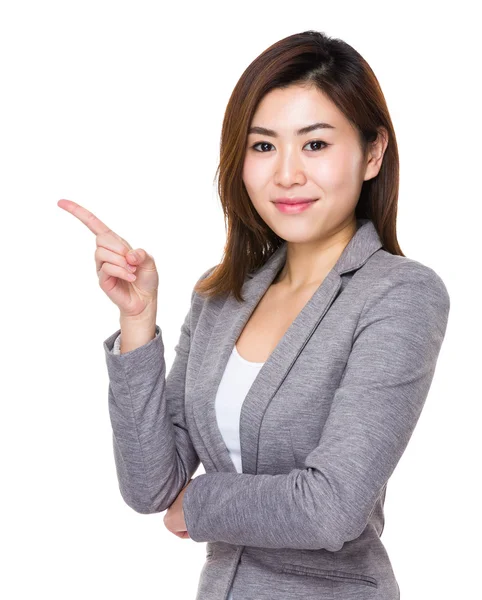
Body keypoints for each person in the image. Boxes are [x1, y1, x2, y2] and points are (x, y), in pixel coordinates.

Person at [58, 30, 450, 600]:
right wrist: (139, 324)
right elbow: (150, 487)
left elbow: (330, 508)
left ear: (372, 153)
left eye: (315, 144)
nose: (286, 174)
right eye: (263, 146)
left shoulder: (400, 295)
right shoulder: (221, 297)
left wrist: (200, 502)